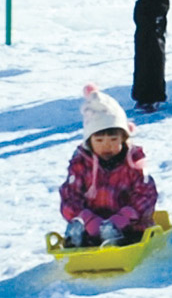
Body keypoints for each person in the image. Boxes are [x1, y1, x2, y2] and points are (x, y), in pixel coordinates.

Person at [59, 84, 159, 247]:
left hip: (129, 225)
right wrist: (87, 219)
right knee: (83, 229)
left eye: (113, 140)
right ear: (89, 142)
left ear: (123, 138)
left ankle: (114, 239)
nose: (107, 146)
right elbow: (70, 196)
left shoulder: (133, 163)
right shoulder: (81, 164)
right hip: (90, 224)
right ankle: (77, 239)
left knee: (131, 235)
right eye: (99, 141)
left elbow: (146, 195)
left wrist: (124, 218)